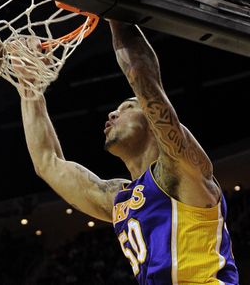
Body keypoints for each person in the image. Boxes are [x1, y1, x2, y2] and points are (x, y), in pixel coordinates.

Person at [13, 20, 240, 284]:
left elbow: (145, 80)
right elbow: (47, 163)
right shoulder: (119, 198)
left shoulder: (183, 170)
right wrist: (29, 85)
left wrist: (116, 15)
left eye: (127, 108)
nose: (112, 113)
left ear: (153, 122)